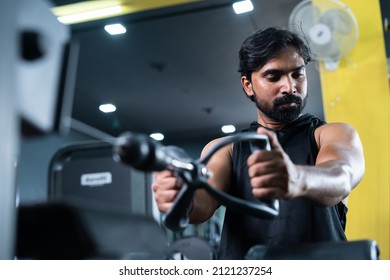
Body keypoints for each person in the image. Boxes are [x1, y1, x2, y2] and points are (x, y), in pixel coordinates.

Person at [151, 27, 365, 259]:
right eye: (273, 77)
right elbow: (201, 205)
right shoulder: (227, 148)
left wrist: (297, 178)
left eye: (298, 74)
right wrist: (179, 196)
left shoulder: (331, 134)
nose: (290, 87)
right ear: (248, 85)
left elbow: (341, 177)